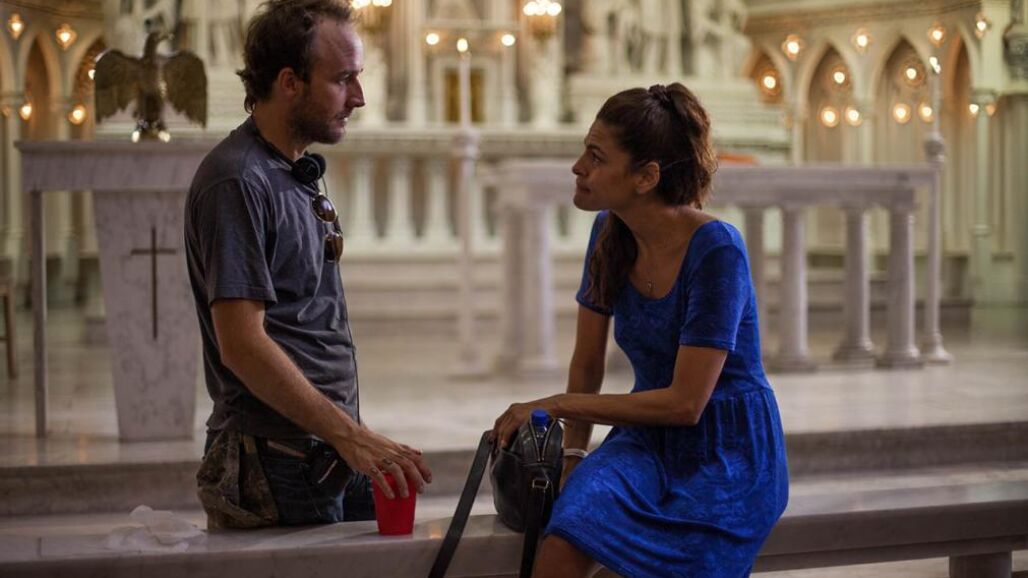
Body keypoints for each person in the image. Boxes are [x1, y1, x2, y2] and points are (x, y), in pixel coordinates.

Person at [491, 83, 789, 577]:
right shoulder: (609, 233)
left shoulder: (716, 249)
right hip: (647, 441)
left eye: (596, 157)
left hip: (727, 452)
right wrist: (573, 456)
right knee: (564, 539)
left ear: (646, 177)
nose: (577, 167)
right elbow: (587, 361)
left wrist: (556, 405)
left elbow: (685, 404)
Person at [185, 0, 431, 528]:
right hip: (278, 461)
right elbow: (242, 345)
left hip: (324, 446)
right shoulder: (238, 180)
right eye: (343, 80)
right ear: (290, 82)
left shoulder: (289, 170)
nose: (359, 97)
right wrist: (350, 435)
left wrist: (350, 435)